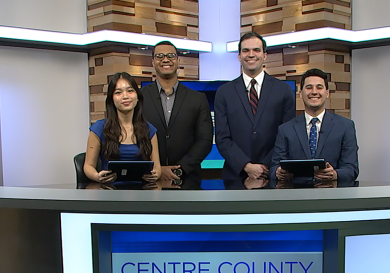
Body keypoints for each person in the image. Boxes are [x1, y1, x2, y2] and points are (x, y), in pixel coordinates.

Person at [214, 32, 296, 180]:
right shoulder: (224, 92)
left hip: (273, 174)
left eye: (256, 50)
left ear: (265, 55)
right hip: (235, 175)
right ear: (239, 57)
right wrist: (246, 165)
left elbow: (287, 136)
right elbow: (222, 138)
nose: (251, 55)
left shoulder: (283, 90)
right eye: (245, 51)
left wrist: (265, 165)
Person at [271, 68, 359, 182]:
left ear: (327, 93)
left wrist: (335, 174)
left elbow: (352, 169)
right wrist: (279, 173)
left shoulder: (346, 126)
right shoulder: (285, 129)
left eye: (319, 87)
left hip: (332, 196)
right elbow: (274, 168)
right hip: (297, 196)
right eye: (309, 87)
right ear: (301, 94)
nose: (314, 92)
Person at [142, 41, 213, 180]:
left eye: (171, 56)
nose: (166, 60)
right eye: (160, 56)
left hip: (189, 179)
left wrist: (181, 169)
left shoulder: (197, 99)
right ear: (152, 62)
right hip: (148, 179)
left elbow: (205, 140)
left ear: (178, 61)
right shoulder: (139, 98)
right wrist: (157, 169)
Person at [83, 72, 161, 183]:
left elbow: (157, 167)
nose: (125, 96)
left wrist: (155, 175)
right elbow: (88, 166)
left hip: (142, 192)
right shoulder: (99, 128)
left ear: (137, 96)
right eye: (118, 92)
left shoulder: (149, 130)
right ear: (112, 99)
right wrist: (97, 176)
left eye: (130, 91)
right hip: (110, 191)